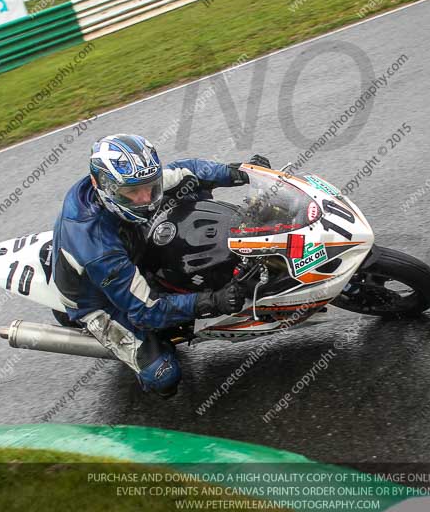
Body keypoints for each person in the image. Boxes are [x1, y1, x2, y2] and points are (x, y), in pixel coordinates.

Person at [52, 133, 270, 397]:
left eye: (150, 186)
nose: (146, 198)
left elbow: (188, 171)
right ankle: (147, 356)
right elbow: (147, 311)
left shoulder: (127, 183)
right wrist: (215, 301)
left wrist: (244, 172)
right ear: (104, 187)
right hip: (99, 302)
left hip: (130, 245)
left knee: (189, 190)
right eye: (133, 193)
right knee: (164, 375)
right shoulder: (97, 248)